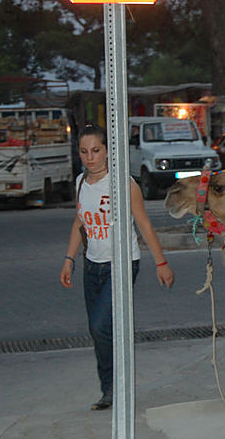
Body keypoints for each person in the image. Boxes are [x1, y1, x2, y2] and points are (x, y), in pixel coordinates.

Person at [59, 124, 174, 411]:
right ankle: (109, 389)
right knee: (97, 330)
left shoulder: (123, 183)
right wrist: (69, 259)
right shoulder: (81, 183)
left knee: (102, 326)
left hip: (121, 265)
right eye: (84, 152)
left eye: (96, 150)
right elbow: (79, 222)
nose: (90, 157)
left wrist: (161, 263)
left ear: (108, 151)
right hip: (91, 265)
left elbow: (144, 223)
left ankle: (117, 386)